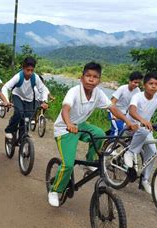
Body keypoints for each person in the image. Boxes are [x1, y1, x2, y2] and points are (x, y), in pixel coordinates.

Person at [48, 62, 138, 207]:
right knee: (68, 164)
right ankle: (54, 190)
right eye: (88, 76)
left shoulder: (98, 93)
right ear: (81, 78)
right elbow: (66, 109)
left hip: (81, 125)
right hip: (65, 128)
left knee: (99, 134)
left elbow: (112, 108)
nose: (91, 79)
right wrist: (69, 124)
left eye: (95, 77)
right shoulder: (73, 92)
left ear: (99, 80)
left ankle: (89, 161)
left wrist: (127, 121)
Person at [1, 57, 49, 140]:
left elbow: (43, 89)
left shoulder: (35, 77)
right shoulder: (18, 77)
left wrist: (44, 101)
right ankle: (9, 130)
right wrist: (6, 101)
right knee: (19, 113)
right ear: (23, 68)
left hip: (30, 99)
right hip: (17, 96)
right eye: (28, 70)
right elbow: (5, 87)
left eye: (32, 70)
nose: (30, 73)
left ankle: (22, 137)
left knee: (27, 118)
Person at [108, 71, 143, 136]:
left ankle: (109, 136)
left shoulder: (137, 91)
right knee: (118, 129)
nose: (136, 85)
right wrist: (114, 115)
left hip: (124, 114)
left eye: (138, 83)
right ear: (129, 81)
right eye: (135, 82)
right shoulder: (122, 89)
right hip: (114, 111)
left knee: (130, 129)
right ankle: (111, 145)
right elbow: (112, 102)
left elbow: (137, 106)